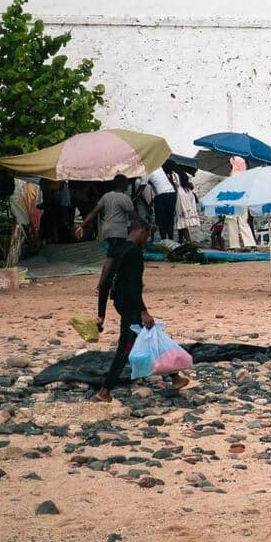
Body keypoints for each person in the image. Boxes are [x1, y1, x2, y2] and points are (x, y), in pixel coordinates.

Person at [93, 220, 188, 403]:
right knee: (126, 346)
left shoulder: (118, 249)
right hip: (130, 304)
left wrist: (101, 313)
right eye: (148, 234)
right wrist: (143, 311)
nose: (147, 239)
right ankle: (105, 390)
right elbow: (133, 286)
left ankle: (175, 377)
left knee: (149, 334)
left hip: (119, 301)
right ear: (141, 231)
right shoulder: (135, 252)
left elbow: (105, 282)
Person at [80, 177, 139, 317]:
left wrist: (82, 225)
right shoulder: (125, 198)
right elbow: (133, 215)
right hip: (118, 231)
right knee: (111, 259)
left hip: (107, 230)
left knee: (115, 257)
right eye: (127, 182)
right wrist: (145, 226)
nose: (128, 185)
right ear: (123, 184)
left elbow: (95, 211)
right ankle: (101, 285)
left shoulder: (106, 196)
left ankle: (110, 283)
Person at [142, 164, 178, 241]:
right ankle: (170, 240)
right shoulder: (158, 166)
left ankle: (164, 240)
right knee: (169, 219)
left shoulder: (146, 170)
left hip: (162, 195)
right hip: (172, 193)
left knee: (161, 220)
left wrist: (134, 199)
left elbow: (141, 188)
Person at [173, 170, 201, 244]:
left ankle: (188, 241)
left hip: (181, 210)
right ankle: (181, 240)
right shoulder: (188, 189)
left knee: (183, 226)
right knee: (182, 226)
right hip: (187, 210)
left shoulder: (179, 188)